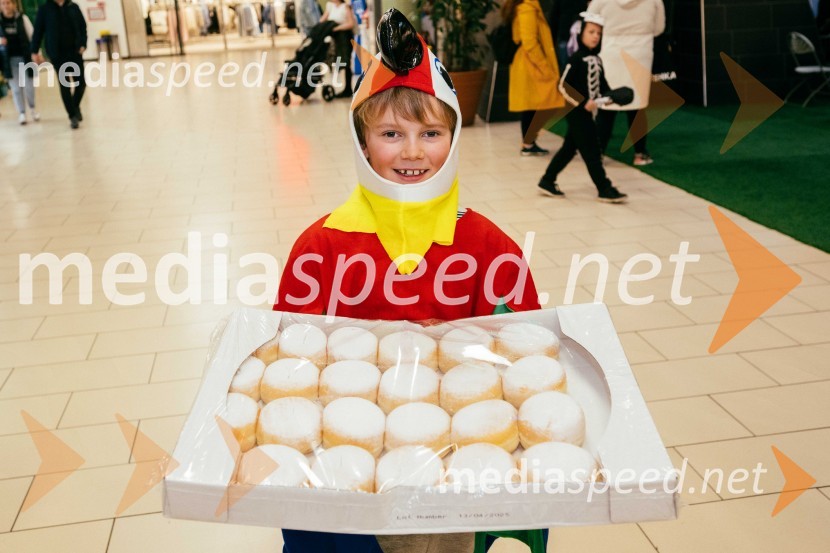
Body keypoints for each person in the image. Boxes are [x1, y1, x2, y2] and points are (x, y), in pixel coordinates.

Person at [273, 9, 542, 553]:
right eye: (391, 133)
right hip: (345, 479)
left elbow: (528, 359)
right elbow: (288, 366)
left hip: (449, 485)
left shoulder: (491, 248)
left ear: (455, 136)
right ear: (362, 142)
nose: (413, 151)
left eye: (431, 132)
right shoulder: (320, 248)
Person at [537, 12, 628, 203]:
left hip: (589, 111)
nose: (595, 36)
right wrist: (582, 101)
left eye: (598, 33)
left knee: (569, 148)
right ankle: (604, 188)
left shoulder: (597, 60)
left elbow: (602, 85)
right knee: (592, 151)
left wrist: (610, 97)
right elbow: (563, 85)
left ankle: (547, 180)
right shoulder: (575, 59)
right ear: (581, 34)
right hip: (577, 112)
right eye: (591, 32)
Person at [587, 0, 664, 166]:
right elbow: (659, 29)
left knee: (607, 107)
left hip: (611, 54)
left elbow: (590, 23)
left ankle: (597, 154)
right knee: (636, 108)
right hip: (640, 55)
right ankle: (640, 154)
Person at [504, 0, 564, 156]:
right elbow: (530, 43)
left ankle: (528, 143)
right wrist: (545, 68)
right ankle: (528, 144)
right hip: (530, 64)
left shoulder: (524, 6)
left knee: (531, 106)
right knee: (534, 106)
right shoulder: (527, 8)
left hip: (526, 63)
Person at [29, 0, 87, 129]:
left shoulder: (73, 7)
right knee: (65, 84)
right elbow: (38, 31)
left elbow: (82, 26)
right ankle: (72, 116)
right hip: (57, 55)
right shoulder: (45, 9)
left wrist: (83, 43)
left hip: (75, 51)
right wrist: (34, 51)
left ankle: (75, 105)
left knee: (81, 83)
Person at [0, 0, 38, 125]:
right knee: (16, 89)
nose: (6, 6)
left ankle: (32, 109)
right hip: (8, 61)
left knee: (29, 86)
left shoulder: (23, 18)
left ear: (14, 5)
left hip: (25, 58)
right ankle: (22, 113)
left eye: (8, 3)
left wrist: (36, 54)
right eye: (3, 3)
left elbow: (32, 36)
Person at [319, 0, 355, 98]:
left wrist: (337, 28)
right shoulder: (330, 6)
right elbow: (322, 20)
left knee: (346, 62)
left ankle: (348, 89)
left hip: (345, 37)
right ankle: (346, 89)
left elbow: (351, 24)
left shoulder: (345, 7)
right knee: (338, 61)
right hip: (335, 39)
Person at [549, 0, 587, 68]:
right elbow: (554, 18)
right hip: (567, 36)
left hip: (578, 36)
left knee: (572, 65)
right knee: (567, 65)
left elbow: (554, 18)